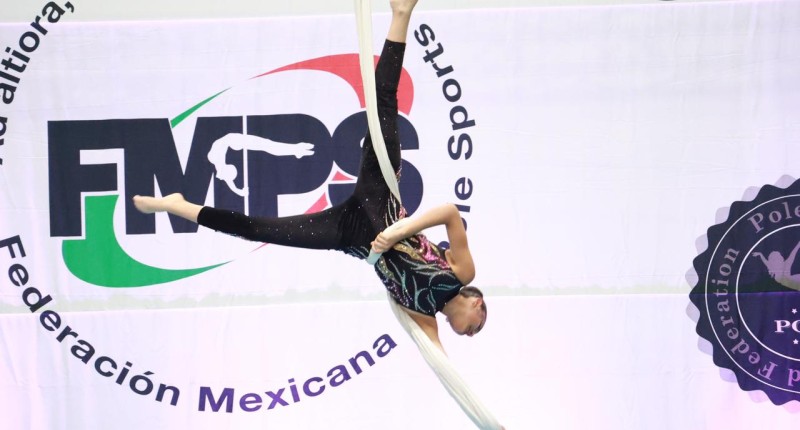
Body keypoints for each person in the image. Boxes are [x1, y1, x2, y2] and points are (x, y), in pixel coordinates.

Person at [132, 0, 487, 354]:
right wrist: (398, 231)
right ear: (477, 303)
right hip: (384, 202)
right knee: (383, 106)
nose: (471, 333)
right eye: (479, 325)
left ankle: (177, 206)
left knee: (257, 229)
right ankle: (401, 14)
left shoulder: (424, 316)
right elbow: (449, 213)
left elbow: (440, 362)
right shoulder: (462, 274)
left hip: (351, 235)